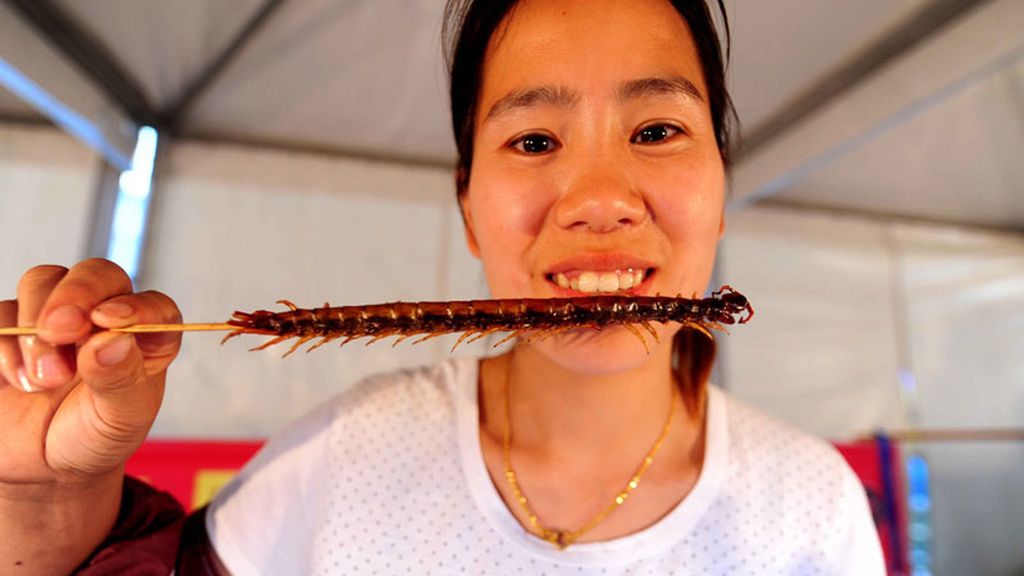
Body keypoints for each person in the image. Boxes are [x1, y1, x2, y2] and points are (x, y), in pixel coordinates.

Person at [0, 0, 885, 574]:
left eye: (656, 129)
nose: (601, 200)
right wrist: (49, 502)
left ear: (722, 189)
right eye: (534, 141)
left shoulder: (812, 512)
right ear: (467, 209)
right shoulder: (349, 452)